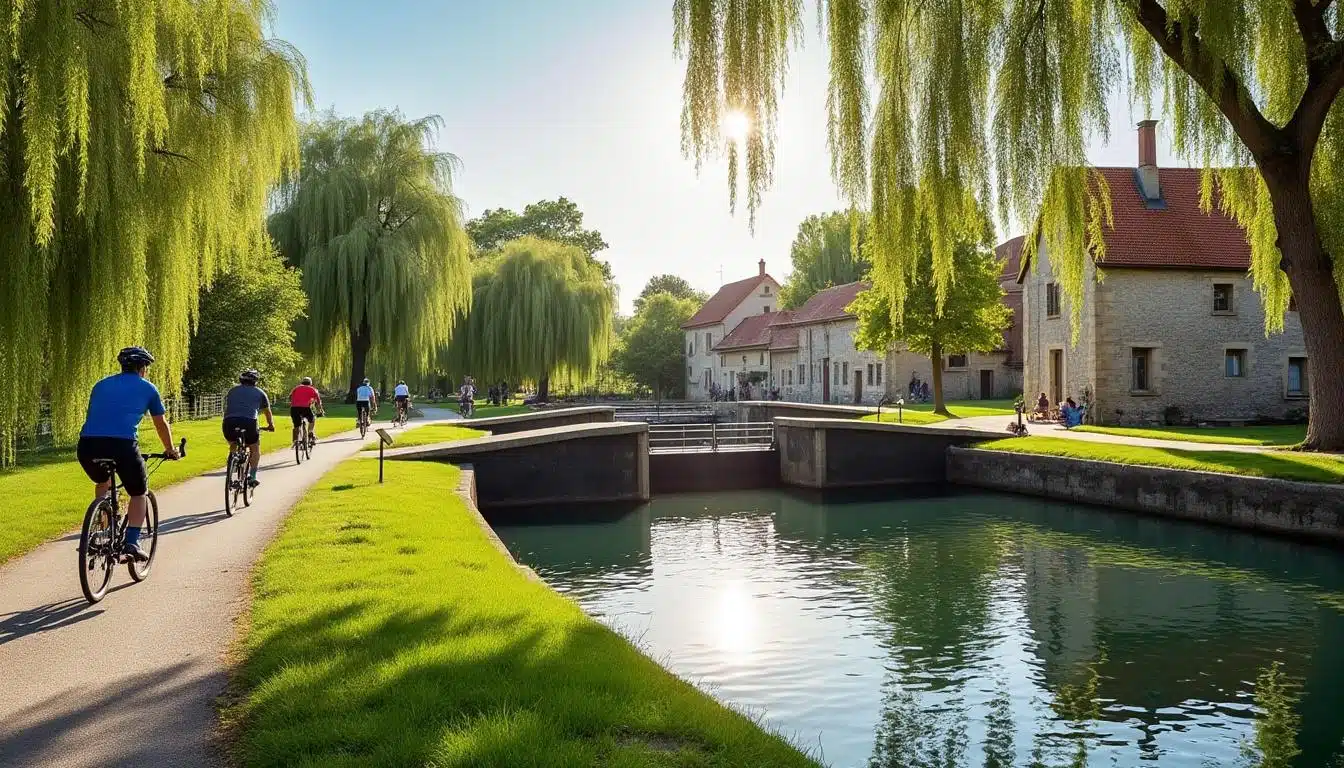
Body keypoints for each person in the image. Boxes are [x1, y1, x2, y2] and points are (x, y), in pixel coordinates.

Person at [77, 347, 180, 562]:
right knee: (138, 492)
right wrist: (170, 449)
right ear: (142, 368)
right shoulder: (148, 388)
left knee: (103, 482)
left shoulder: (101, 385)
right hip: (122, 445)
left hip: (88, 446)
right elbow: (160, 424)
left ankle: (101, 529)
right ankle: (131, 542)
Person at [223, 369, 275, 487]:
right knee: (254, 448)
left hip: (229, 422)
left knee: (233, 442)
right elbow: (267, 412)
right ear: (255, 381)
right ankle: (252, 476)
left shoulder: (232, 390)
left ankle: (233, 461)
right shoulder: (260, 392)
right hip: (249, 422)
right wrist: (270, 425)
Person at [289, 377, 323, 444]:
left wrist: (294, 402)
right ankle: (310, 432)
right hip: (305, 408)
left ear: (302, 382)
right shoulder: (313, 389)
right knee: (312, 419)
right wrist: (320, 411)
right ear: (310, 383)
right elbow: (318, 402)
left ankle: (296, 440)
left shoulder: (296, 388)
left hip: (294, 408)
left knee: (296, 425)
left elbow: (290, 397)